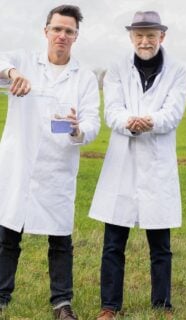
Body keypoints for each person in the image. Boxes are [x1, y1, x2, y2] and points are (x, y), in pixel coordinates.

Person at [0, 5, 100, 320]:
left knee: (60, 241)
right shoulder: (25, 61)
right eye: (57, 29)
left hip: (57, 167)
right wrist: (12, 74)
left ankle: (61, 304)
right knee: (7, 235)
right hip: (20, 165)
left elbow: (93, 121)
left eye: (68, 31)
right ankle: (1, 295)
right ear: (46, 31)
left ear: (76, 37)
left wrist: (77, 128)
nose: (62, 35)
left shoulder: (84, 77)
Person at [89, 10, 186, 320]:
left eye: (151, 35)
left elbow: (173, 113)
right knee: (113, 243)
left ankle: (162, 306)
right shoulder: (116, 68)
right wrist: (130, 123)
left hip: (157, 164)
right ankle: (109, 306)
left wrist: (151, 121)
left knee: (160, 245)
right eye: (139, 35)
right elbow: (113, 111)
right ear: (131, 36)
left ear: (162, 36)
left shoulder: (178, 71)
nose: (145, 41)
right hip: (123, 163)